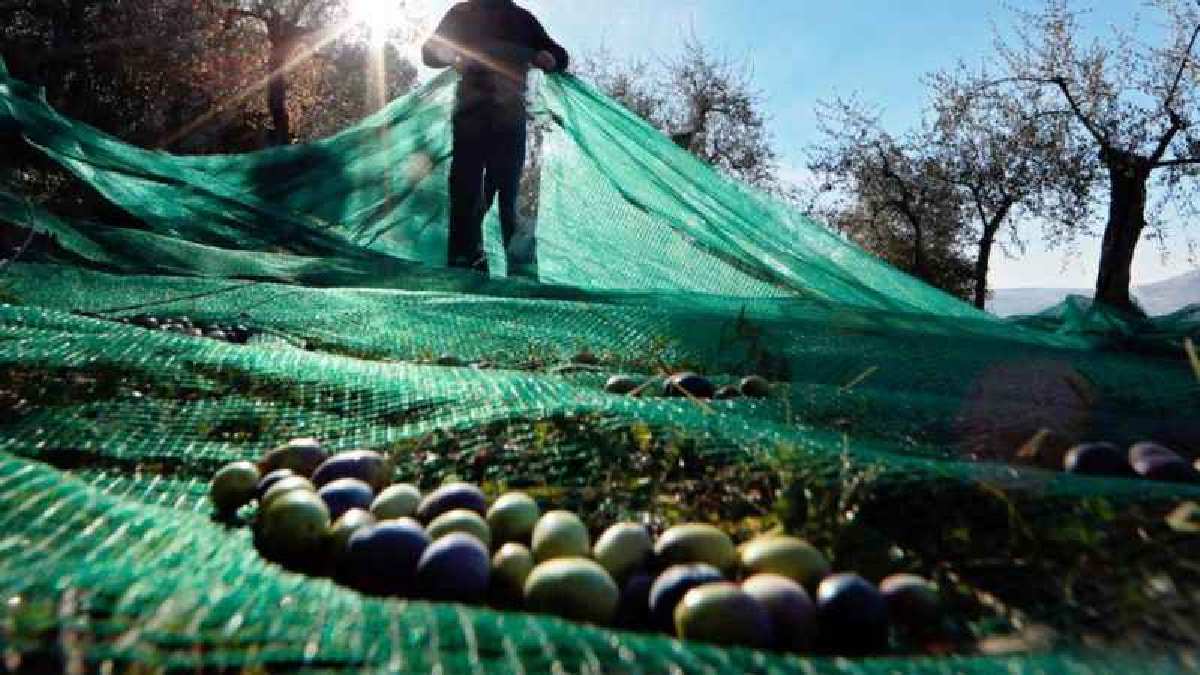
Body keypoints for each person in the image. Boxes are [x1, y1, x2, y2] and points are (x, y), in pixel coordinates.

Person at [422, 0, 569, 275]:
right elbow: (429, 53)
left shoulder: (523, 19)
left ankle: (520, 270)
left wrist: (552, 58)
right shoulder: (462, 12)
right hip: (470, 111)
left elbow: (560, 54)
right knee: (466, 184)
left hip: (511, 114)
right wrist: (449, 52)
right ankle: (465, 261)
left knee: (511, 190)